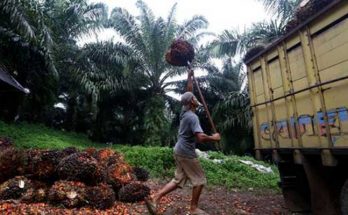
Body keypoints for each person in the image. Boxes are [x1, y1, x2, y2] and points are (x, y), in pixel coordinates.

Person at [145, 71, 221, 215]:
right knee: (200, 180)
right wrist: (214, 138)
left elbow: (188, 92)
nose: (196, 99)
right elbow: (200, 137)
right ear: (192, 102)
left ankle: (155, 198)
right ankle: (193, 209)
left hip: (178, 150)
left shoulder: (184, 111)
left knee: (178, 180)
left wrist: (189, 77)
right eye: (194, 98)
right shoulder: (192, 117)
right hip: (186, 153)